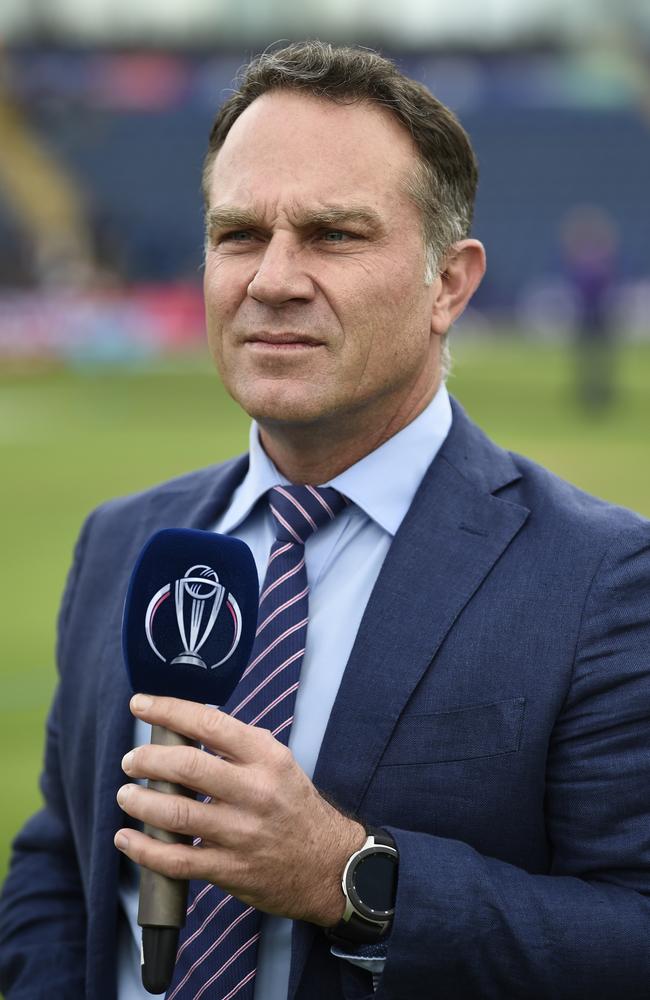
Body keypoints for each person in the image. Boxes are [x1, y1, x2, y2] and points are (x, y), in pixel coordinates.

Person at [1, 41, 650, 1000]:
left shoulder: (602, 578)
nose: (273, 279)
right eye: (237, 235)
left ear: (450, 285)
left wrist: (348, 877)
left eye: (333, 235)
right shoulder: (124, 542)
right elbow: (62, 868)